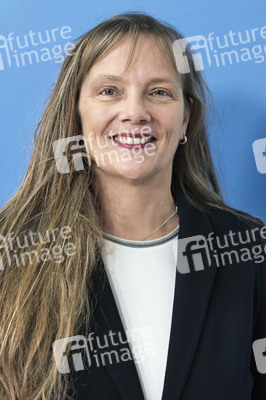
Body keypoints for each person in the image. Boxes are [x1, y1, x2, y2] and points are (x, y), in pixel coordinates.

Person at [0, 12, 265, 400]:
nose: (135, 112)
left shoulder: (247, 249)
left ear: (186, 119)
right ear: (76, 112)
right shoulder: (12, 250)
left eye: (159, 92)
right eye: (109, 91)